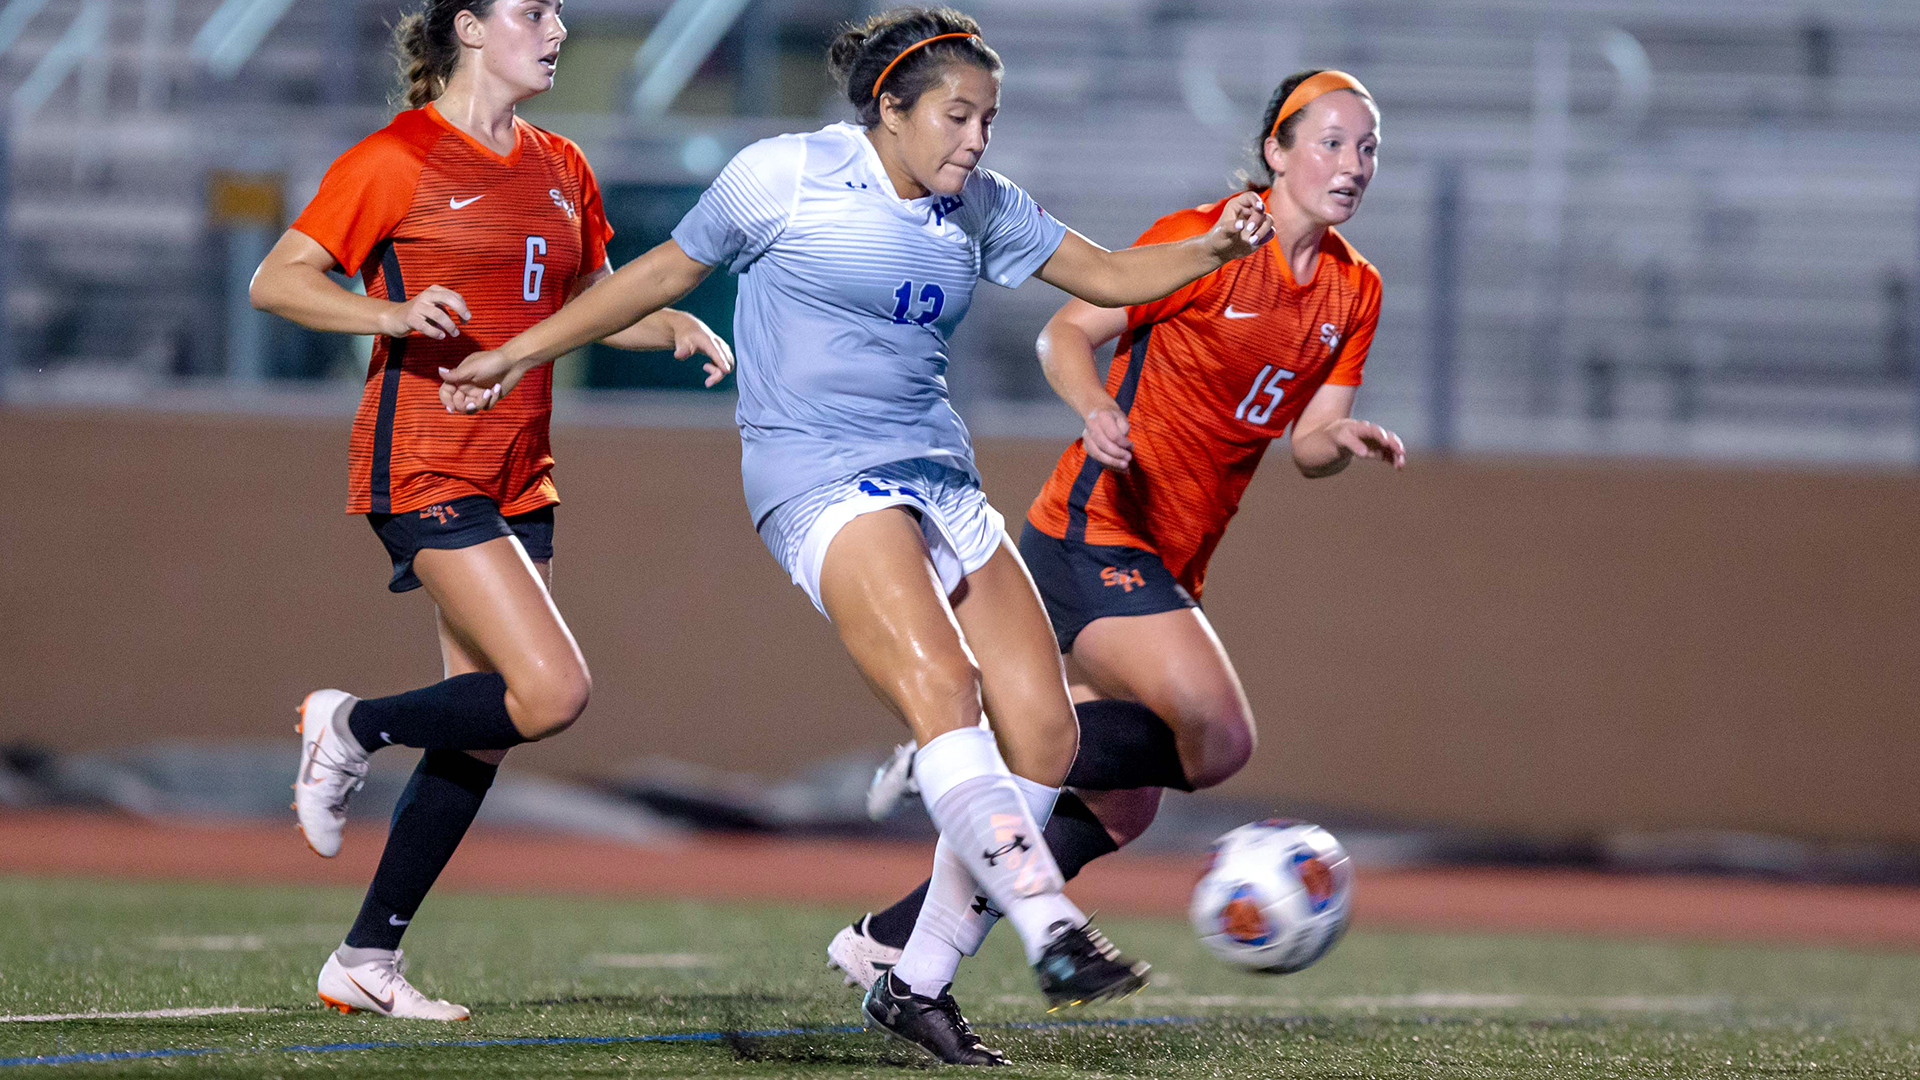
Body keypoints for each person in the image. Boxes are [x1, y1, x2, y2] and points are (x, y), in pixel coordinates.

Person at [437, 5, 1275, 1063]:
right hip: (816, 476)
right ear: (892, 108)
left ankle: (914, 981)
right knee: (946, 691)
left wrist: (1211, 245)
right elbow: (657, 274)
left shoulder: (980, 204)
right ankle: (1052, 924)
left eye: (990, 121)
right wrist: (516, 353)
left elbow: (1108, 275)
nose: (975, 140)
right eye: (957, 117)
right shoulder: (782, 174)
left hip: (941, 477)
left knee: (1050, 738)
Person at [830, 66, 1404, 1008]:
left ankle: (887, 941)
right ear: (1277, 152)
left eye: (1368, 147)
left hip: (1173, 558)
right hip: (1096, 529)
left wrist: (1339, 439)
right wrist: (1097, 406)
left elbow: (1304, 444)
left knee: (1121, 804)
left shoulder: (1354, 287)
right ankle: (975, 741)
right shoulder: (1209, 239)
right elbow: (1066, 332)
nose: (1352, 164)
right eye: (1332, 142)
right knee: (1217, 741)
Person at [247, 0, 731, 1021]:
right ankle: (350, 725)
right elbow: (276, 280)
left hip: (520, 470)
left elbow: (585, 306)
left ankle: (365, 960)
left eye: (558, 11)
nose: (555, 26)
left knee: (486, 726)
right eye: (530, 10)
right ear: (467, 27)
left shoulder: (562, 161)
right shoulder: (396, 157)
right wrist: (388, 311)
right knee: (551, 691)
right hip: (421, 461)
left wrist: (671, 321)